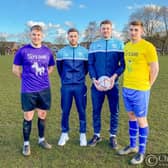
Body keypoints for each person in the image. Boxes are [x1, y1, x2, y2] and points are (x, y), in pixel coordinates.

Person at [118, 21, 159, 165]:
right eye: (131, 30)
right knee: (131, 117)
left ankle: (141, 152)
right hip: (127, 87)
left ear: (141, 31)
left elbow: (155, 68)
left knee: (142, 119)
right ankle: (132, 146)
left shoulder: (148, 47)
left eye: (136, 30)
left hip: (140, 89)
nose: (133, 32)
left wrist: (148, 85)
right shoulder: (126, 46)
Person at [12, 25, 55, 156]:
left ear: (42, 36)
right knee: (28, 116)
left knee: (42, 115)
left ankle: (41, 139)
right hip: (28, 90)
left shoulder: (47, 51)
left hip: (44, 89)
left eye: (38, 35)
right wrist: (25, 79)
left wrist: (42, 77)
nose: (36, 37)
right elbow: (15, 69)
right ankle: (26, 144)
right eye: (34, 34)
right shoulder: (22, 51)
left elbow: (51, 67)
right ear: (30, 35)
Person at [88, 20, 125, 149]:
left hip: (112, 85)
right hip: (97, 85)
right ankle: (96, 134)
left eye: (108, 28)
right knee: (96, 110)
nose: (105, 30)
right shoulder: (93, 45)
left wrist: (114, 77)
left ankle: (113, 136)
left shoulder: (119, 44)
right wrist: (94, 79)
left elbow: (123, 65)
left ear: (111, 29)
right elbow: (90, 64)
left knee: (114, 110)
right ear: (100, 30)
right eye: (103, 28)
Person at [56, 28, 88, 146]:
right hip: (66, 86)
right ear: (67, 37)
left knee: (82, 110)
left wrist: (79, 78)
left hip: (80, 86)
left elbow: (86, 69)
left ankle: (82, 134)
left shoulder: (85, 52)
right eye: (71, 36)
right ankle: (64, 133)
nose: (73, 38)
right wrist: (66, 79)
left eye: (75, 36)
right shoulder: (61, 52)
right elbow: (60, 69)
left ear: (78, 37)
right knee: (65, 110)